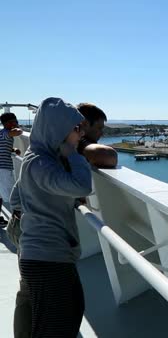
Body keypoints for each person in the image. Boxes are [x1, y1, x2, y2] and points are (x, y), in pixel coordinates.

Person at [16, 97, 92, 337]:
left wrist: (59, 199)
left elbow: (17, 198)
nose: (80, 135)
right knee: (64, 319)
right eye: (76, 129)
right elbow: (81, 185)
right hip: (50, 260)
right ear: (58, 129)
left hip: (33, 253)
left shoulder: (34, 157)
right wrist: (75, 154)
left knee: (37, 320)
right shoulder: (41, 163)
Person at [77, 103, 117, 168]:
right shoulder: (78, 142)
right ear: (85, 124)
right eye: (99, 128)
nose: (102, 133)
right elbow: (109, 156)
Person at [0, 112, 23, 226]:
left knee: (1, 195)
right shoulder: (6, 133)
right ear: (8, 123)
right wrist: (19, 129)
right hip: (3, 169)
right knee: (12, 197)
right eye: (15, 121)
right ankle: (17, 222)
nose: (17, 123)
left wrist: (13, 149)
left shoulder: (2, 134)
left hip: (2, 169)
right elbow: (17, 132)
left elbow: (3, 146)